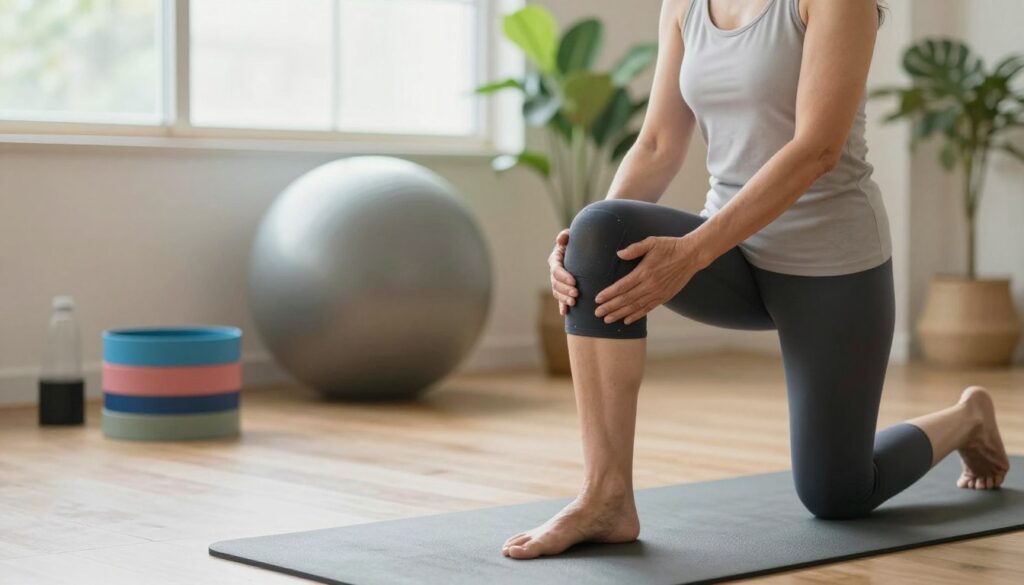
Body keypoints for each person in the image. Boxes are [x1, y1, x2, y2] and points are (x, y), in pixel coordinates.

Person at [501, 0, 1010, 560]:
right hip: (733, 255)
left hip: (831, 265)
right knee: (599, 230)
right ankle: (606, 497)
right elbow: (656, 145)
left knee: (837, 494)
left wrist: (693, 250)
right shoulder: (685, 5)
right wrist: (579, 246)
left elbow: (817, 149)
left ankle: (968, 418)